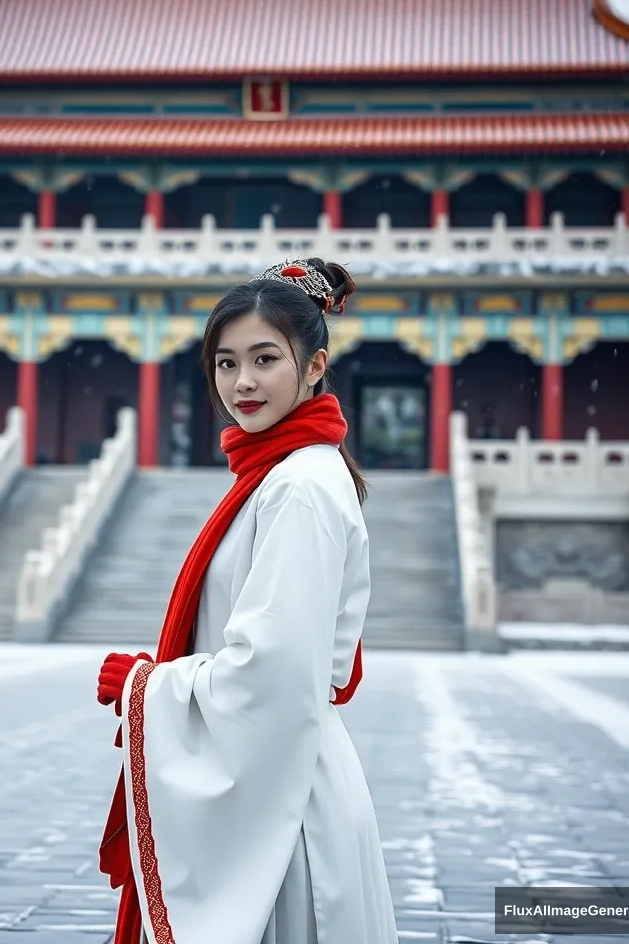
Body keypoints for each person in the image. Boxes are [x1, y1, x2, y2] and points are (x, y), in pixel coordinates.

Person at [95, 258, 400, 944]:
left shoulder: (298, 487)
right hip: (285, 775)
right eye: (225, 364)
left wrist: (147, 686)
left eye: (266, 358)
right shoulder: (282, 474)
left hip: (287, 808)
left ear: (316, 366)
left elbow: (276, 671)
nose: (244, 382)